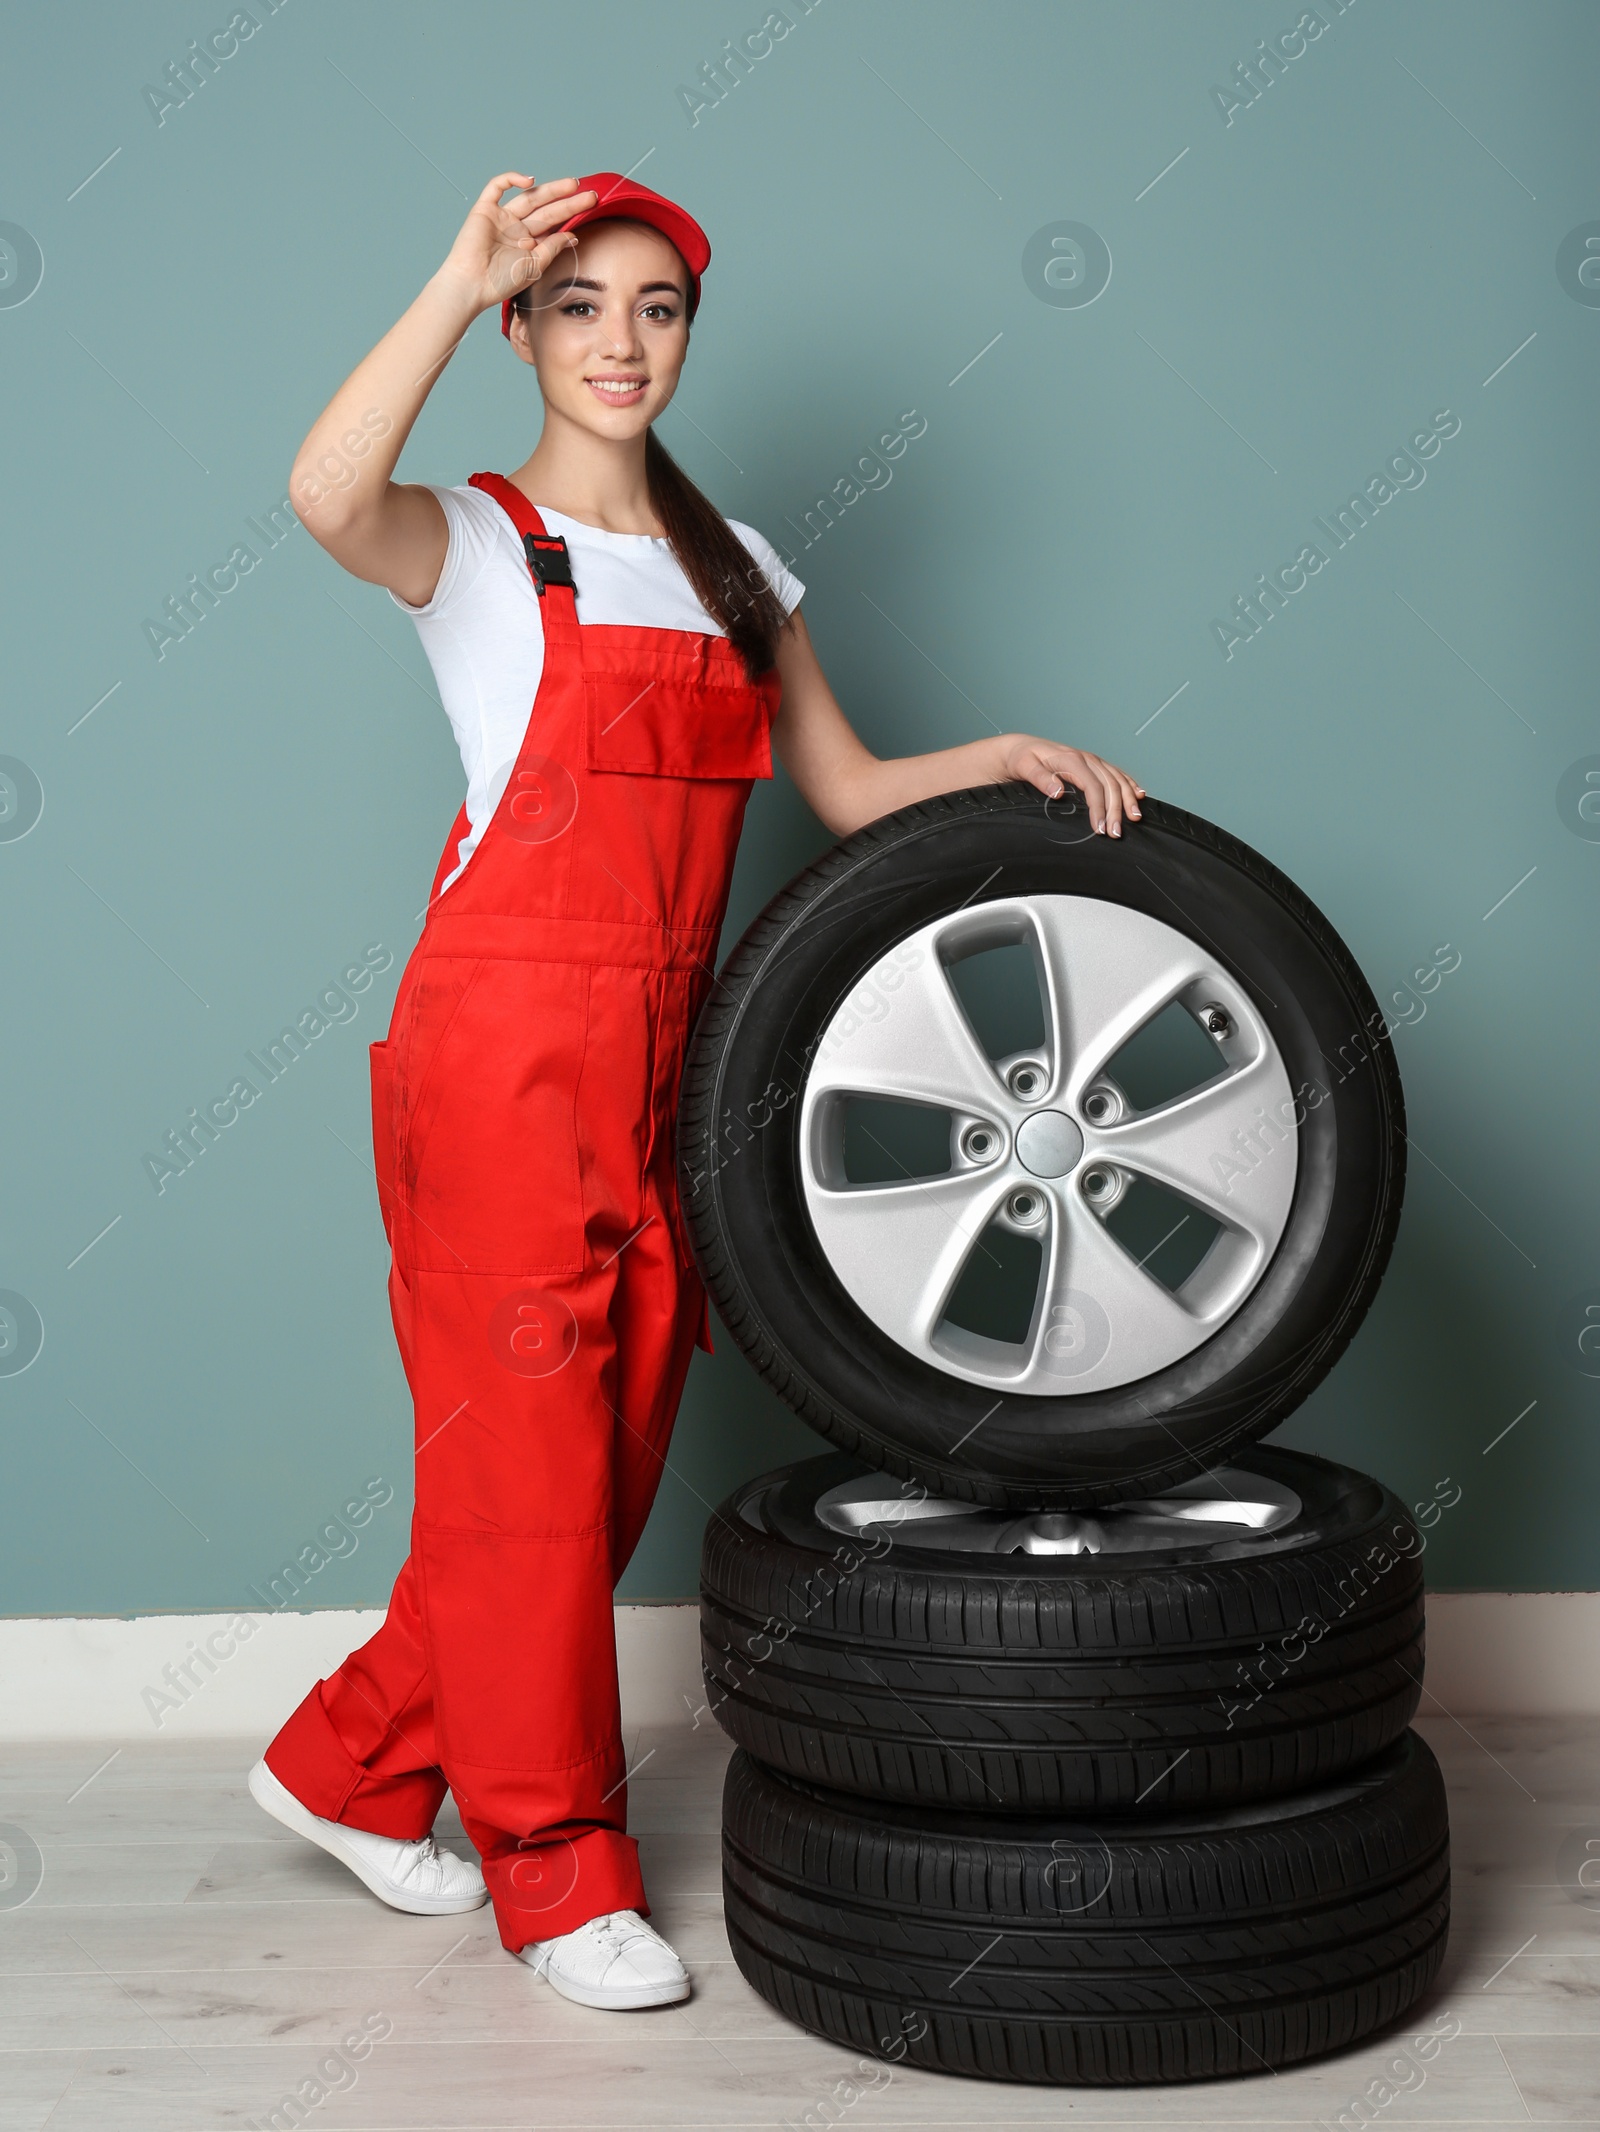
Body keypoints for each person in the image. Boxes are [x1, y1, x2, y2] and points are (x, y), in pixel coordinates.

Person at [247, 168, 1145, 2011]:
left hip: (671, 1058)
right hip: (498, 1056)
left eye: (655, 307)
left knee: (600, 1459)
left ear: (686, 335)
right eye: (577, 308)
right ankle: (559, 1875)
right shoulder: (485, 547)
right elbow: (324, 493)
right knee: (526, 1479)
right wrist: (450, 267)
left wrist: (1005, 762)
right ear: (522, 332)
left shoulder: (742, 572)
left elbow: (842, 786)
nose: (619, 341)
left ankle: (343, 1762)